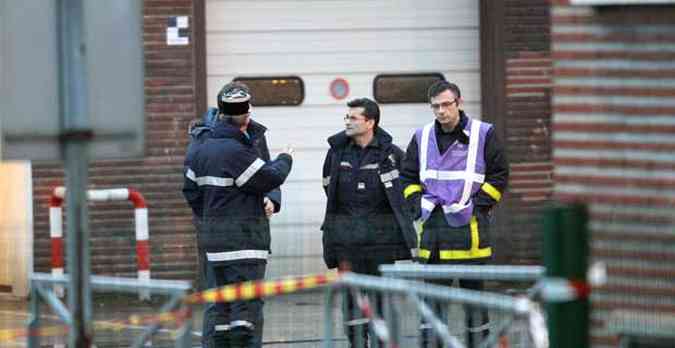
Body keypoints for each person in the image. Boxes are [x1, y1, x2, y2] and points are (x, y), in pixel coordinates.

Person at [183, 81, 293, 348]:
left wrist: (271, 200)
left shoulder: (251, 136)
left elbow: (192, 190)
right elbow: (269, 174)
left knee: (225, 309)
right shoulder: (212, 140)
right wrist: (286, 159)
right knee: (241, 311)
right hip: (243, 240)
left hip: (218, 237)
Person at [400, 81, 508, 348]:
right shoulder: (422, 136)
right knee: (432, 310)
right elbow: (408, 176)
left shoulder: (483, 133)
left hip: (469, 235)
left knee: (476, 308)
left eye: (446, 105)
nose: (441, 111)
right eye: (435, 106)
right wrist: (416, 203)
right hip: (433, 238)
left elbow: (499, 175)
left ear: (458, 103)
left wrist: (478, 207)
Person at [321, 97, 417, 348]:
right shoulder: (336, 153)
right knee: (351, 303)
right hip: (346, 245)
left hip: (381, 246)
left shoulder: (392, 155)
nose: (347, 122)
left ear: (370, 122)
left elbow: (407, 190)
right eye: (346, 117)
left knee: (380, 302)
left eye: (353, 118)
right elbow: (328, 188)